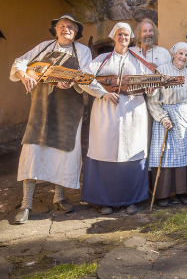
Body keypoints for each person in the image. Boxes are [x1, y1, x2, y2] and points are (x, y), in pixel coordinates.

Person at [10, 14, 92, 224]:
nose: (66, 29)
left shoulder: (82, 51)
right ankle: (26, 203)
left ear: (76, 32)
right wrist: (24, 75)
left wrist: (72, 82)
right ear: (56, 30)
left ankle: (60, 197)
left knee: (63, 152)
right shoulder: (44, 47)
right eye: (62, 26)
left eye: (71, 27)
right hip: (42, 108)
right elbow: (20, 62)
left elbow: (87, 77)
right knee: (33, 152)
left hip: (68, 112)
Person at [81, 22, 155, 215]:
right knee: (105, 150)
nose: (123, 38)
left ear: (131, 38)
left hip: (132, 113)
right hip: (106, 112)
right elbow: (83, 79)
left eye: (127, 35)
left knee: (131, 151)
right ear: (114, 36)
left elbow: (152, 83)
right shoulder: (102, 59)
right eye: (120, 34)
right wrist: (102, 93)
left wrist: (150, 88)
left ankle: (132, 200)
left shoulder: (139, 60)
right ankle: (104, 201)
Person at [147, 42, 187, 207]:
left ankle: (183, 192)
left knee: (184, 155)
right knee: (167, 155)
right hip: (167, 117)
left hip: (186, 118)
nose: (183, 57)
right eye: (181, 54)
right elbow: (153, 99)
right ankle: (163, 194)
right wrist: (162, 117)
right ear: (174, 54)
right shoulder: (161, 71)